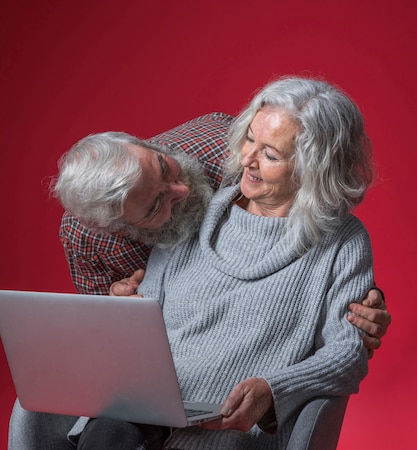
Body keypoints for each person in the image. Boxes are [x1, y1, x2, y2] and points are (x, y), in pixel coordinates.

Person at [7, 102, 390, 450]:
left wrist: (275, 390)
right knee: (108, 432)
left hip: (228, 429)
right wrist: (119, 315)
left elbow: (347, 348)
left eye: (268, 152)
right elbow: (126, 339)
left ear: (313, 165)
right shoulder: (167, 224)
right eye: (156, 203)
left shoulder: (341, 238)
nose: (246, 158)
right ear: (124, 223)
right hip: (142, 414)